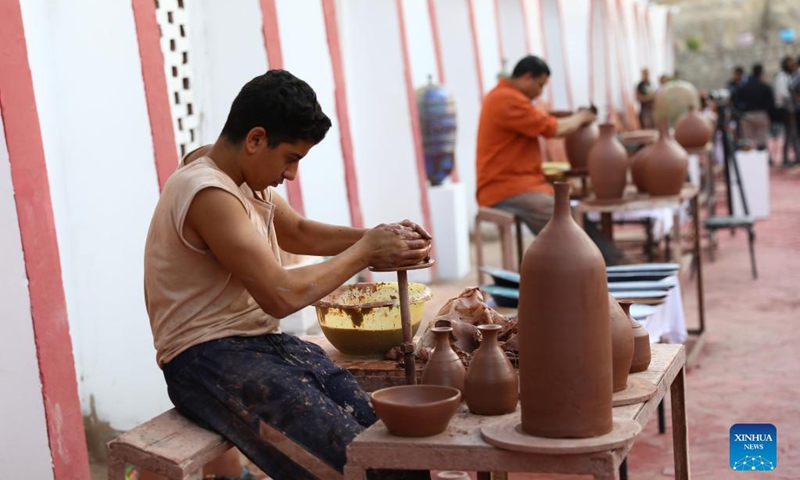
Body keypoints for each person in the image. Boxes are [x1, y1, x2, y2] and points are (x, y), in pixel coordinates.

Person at [142, 70, 432, 480]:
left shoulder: (236, 170)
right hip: (206, 360)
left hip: (261, 346)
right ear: (256, 139)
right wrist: (365, 252)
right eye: (291, 158)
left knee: (391, 449)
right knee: (355, 467)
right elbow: (280, 294)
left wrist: (380, 238)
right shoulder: (209, 193)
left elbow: (295, 231)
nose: (292, 175)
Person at [475, 55, 625, 266]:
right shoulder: (506, 99)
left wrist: (570, 116)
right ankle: (599, 265)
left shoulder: (509, 97)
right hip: (504, 188)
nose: (540, 92)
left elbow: (545, 119)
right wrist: (582, 117)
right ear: (527, 77)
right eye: (540, 85)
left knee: (568, 212)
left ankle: (603, 262)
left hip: (521, 184)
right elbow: (556, 129)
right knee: (561, 216)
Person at [733, 63, 775, 151]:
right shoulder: (764, 86)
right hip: (761, 114)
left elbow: (736, 99)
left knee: (748, 142)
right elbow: (771, 102)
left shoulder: (744, 87)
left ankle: (752, 161)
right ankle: (762, 160)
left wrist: (742, 111)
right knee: (761, 141)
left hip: (747, 115)